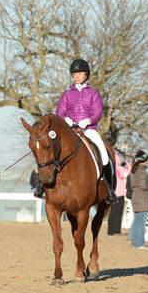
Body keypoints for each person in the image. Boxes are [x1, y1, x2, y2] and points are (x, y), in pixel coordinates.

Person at [56, 58, 116, 199]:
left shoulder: (93, 93)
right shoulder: (67, 94)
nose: (77, 76)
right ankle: (42, 185)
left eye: (80, 73)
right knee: (51, 150)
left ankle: (109, 189)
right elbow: (60, 111)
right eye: (75, 74)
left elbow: (98, 112)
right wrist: (66, 119)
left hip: (89, 129)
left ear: (86, 75)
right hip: (70, 130)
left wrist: (87, 121)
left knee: (104, 154)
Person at [129, 150, 148, 249]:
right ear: (142, 161)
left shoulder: (134, 170)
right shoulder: (142, 171)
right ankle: (139, 243)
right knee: (141, 223)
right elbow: (143, 186)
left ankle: (135, 243)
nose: (147, 162)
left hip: (135, 197)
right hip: (142, 198)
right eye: (146, 160)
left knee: (137, 222)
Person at [107, 153, 131, 235]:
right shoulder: (117, 168)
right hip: (118, 193)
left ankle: (113, 230)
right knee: (116, 212)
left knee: (115, 212)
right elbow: (128, 173)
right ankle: (113, 230)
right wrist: (128, 165)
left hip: (116, 192)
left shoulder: (112, 168)